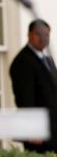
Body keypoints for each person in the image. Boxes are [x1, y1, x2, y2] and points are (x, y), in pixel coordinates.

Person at [9, 19, 57, 153]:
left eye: (46, 34)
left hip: (53, 130)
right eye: (38, 34)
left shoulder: (48, 59)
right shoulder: (22, 61)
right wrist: (33, 129)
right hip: (39, 134)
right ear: (29, 34)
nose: (43, 38)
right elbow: (25, 100)